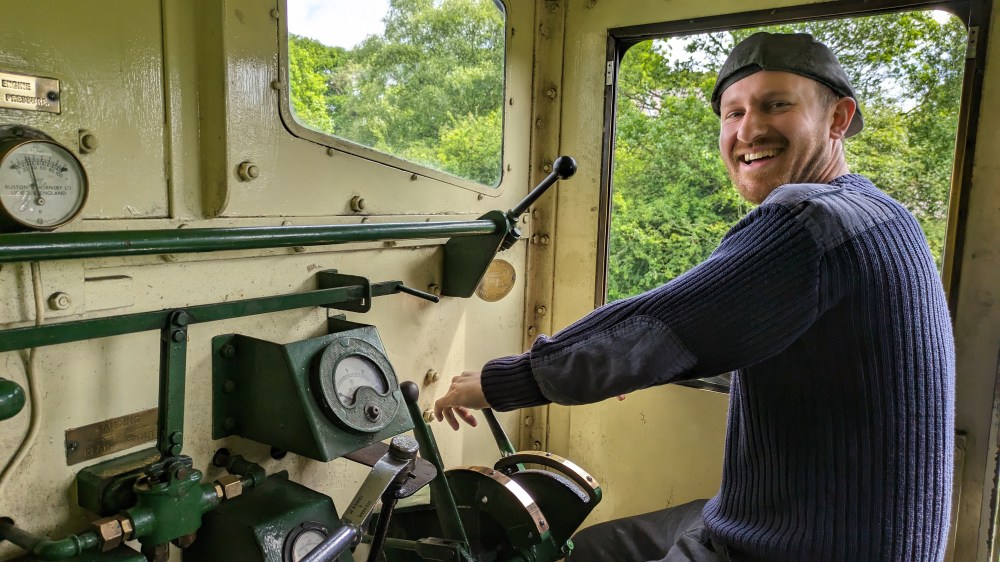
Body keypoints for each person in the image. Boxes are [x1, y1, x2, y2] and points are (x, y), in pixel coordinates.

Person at [433, 32, 955, 562]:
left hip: (804, 544)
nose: (749, 129)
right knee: (588, 549)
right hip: (822, 523)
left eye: (776, 105)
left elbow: (662, 326)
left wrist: (499, 381)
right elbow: (730, 328)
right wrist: (646, 364)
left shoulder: (811, 219)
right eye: (733, 113)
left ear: (838, 118)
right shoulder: (879, 214)